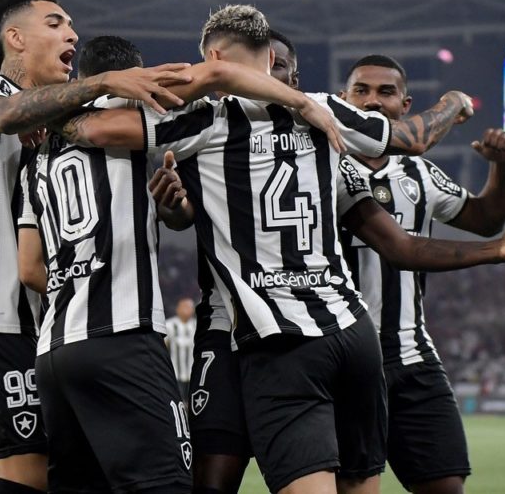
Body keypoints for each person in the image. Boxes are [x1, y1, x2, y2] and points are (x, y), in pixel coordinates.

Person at [53, 4, 475, 494]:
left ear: (213, 57)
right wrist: (452, 102)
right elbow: (412, 137)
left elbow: (95, 129)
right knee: (358, 484)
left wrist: (75, 98)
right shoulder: (326, 109)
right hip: (353, 332)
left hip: (279, 336)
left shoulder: (204, 120)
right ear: (270, 58)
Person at [148, 29, 505, 494]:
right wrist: (173, 209)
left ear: (296, 81)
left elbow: (403, 244)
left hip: (332, 341)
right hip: (234, 334)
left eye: (279, 68)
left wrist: (497, 245)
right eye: (361, 92)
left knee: (377, 480)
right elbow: (184, 212)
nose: (266, 78)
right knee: (214, 477)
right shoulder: (205, 130)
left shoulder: (336, 152)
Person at [17, 33, 340, 493]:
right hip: (123, 336)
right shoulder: (140, 121)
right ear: (134, 76)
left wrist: (83, 283)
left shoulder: (37, 159)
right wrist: (301, 103)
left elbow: (29, 268)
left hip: (55, 351)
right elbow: (218, 76)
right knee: (170, 483)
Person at [0, 0, 192, 494]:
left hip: (49, 321)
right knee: (26, 473)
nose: (72, 33)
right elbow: (6, 117)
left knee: (27, 472)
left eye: (73, 25)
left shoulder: (63, 122)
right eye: (55, 24)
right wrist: (104, 83)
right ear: (15, 39)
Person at [339, 54, 505, 494]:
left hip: (412, 355)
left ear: (405, 104)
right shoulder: (319, 163)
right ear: (343, 99)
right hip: (345, 357)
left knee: (446, 485)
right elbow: (404, 248)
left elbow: (485, 219)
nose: (372, 101)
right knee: (357, 486)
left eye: (386, 92)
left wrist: (501, 166)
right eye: (361, 90)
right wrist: (453, 102)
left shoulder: (417, 173)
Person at [164, 298, 197, 400]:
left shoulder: (197, 325)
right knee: (178, 400)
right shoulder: (169, 325)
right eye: (184, 307)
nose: (187, 310)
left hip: (194, 372)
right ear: (178, 309)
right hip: (176, 373)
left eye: (189, 307)